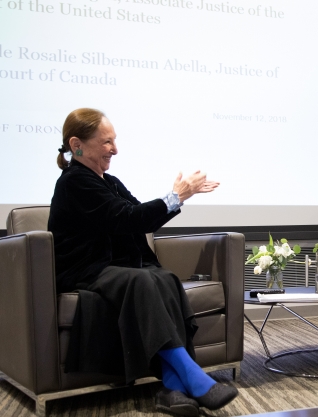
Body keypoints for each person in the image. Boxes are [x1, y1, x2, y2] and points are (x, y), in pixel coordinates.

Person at [48, 108, 237, 416]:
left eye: (115, 141)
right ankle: (193, 378)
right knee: (142, 279)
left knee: (163, 277)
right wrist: (176, 196)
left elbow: (140, 221)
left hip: (112, 267)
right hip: (83, 270)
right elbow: (128, 218)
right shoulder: (73, 183)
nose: (115, 149)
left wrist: (179, 198)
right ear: (76, 144)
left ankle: (172, 392)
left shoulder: (111, 182)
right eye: (107, 142)